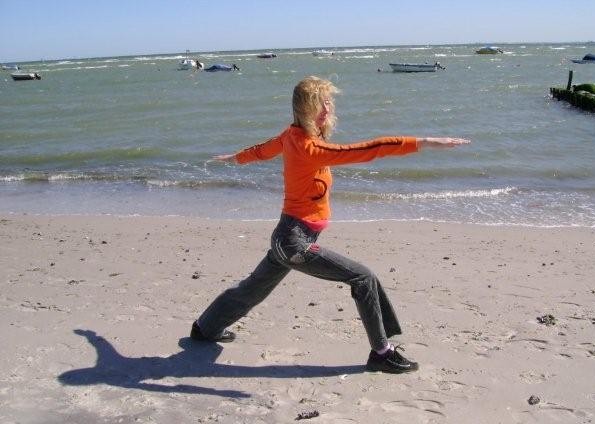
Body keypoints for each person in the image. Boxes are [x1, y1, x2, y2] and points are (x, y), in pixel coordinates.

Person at [191, 76, 470, 373]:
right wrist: (423, 142)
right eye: (321, 102)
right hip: (294, 241)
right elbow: (369, 149)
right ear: (307, 109)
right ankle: (382, 352)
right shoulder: (309, 147)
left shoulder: (291, 136)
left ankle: (205, 328)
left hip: (285, 237)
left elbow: (264, 149)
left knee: (252, 289)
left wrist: (238, 157)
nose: (328, 107)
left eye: (328, 101)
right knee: (363, 278)